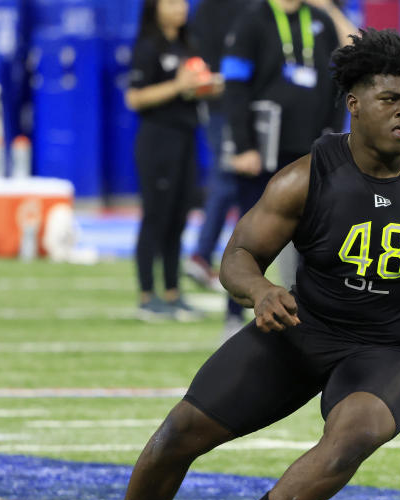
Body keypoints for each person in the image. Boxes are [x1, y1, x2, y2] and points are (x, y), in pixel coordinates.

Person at [72, 28, 400, 500]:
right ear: (353, 102)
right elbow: (238, 254)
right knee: (177, 433)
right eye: (389, 100)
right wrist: (258, 291)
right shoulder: (308, 175)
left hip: (389, 349)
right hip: (301, 329)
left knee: (356, 432)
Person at [219, 0, 345, 337]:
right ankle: (235, 316)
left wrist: (333, 138)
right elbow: (234, 86)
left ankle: (306, 317)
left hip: (311, 151)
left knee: (315, 238)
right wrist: (244, 145)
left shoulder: (320, 19)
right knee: (249, 238)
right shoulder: (251, 19)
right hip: (263, 152)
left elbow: (338, 81)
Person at [127, 0, 222, 321]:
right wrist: (178, 86)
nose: (179, 8)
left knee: (179, 217)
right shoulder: (148, 46)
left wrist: (205, 87)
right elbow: (135, 97)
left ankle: (172, 292)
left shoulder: (187, 45)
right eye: (171, 1)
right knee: (156, 216)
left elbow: (191, 90)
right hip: (157, 139)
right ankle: (145, 295)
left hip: (186, 137)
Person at [185, 0, 248, 293]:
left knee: (239, 184)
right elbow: (204, 64)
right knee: (225, 182)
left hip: (248, 106)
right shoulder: (212, 8)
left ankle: (219, 256)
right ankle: (202, 254)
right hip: (224, 106)